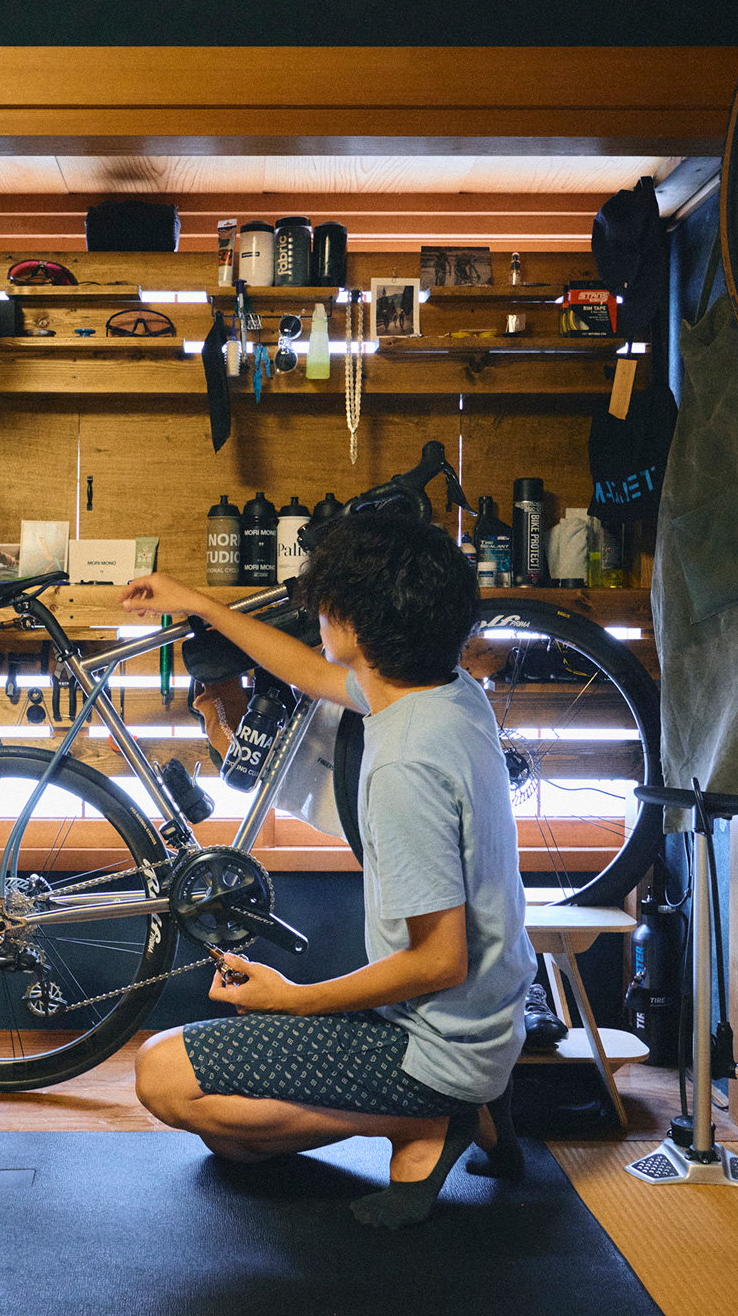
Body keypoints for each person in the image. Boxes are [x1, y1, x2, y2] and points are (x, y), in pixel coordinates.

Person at [120, 511, 536, 1229]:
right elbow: (312, 673)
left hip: (433, 1045)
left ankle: (429, 1124)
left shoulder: (404, 764)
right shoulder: (442, 691)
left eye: (327, 603)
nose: (318, 614)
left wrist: (293, 998)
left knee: (162, 1075)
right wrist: (201, 605)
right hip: (486, 1020)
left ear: (356, 622)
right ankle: (464, 1103)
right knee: (234, 1144)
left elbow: (438, 960)